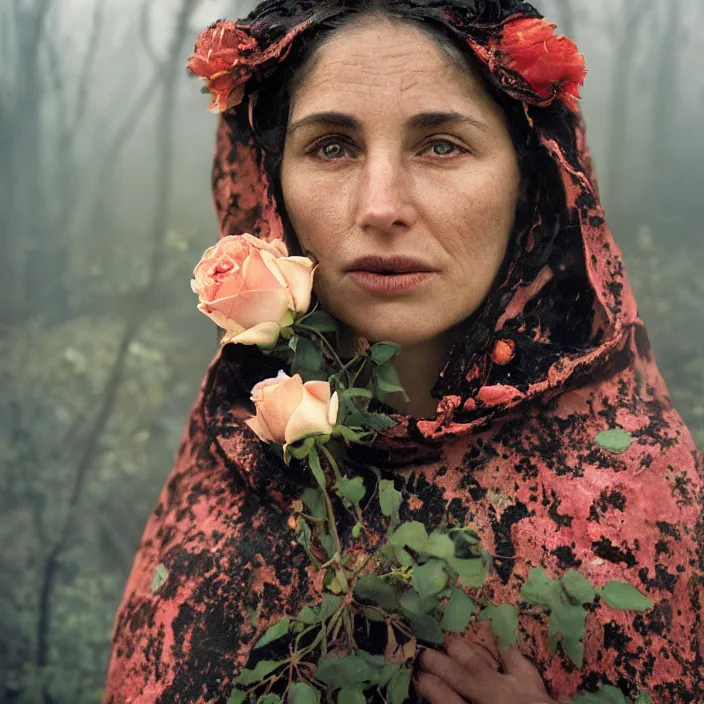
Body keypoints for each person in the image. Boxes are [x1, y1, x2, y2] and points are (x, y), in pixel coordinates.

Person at [104, 1, 703, 702]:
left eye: (441, 144)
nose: (381, 205)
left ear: (529, 182)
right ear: (275, 188)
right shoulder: (235, 479)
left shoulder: (631, 505)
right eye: (332, 146)